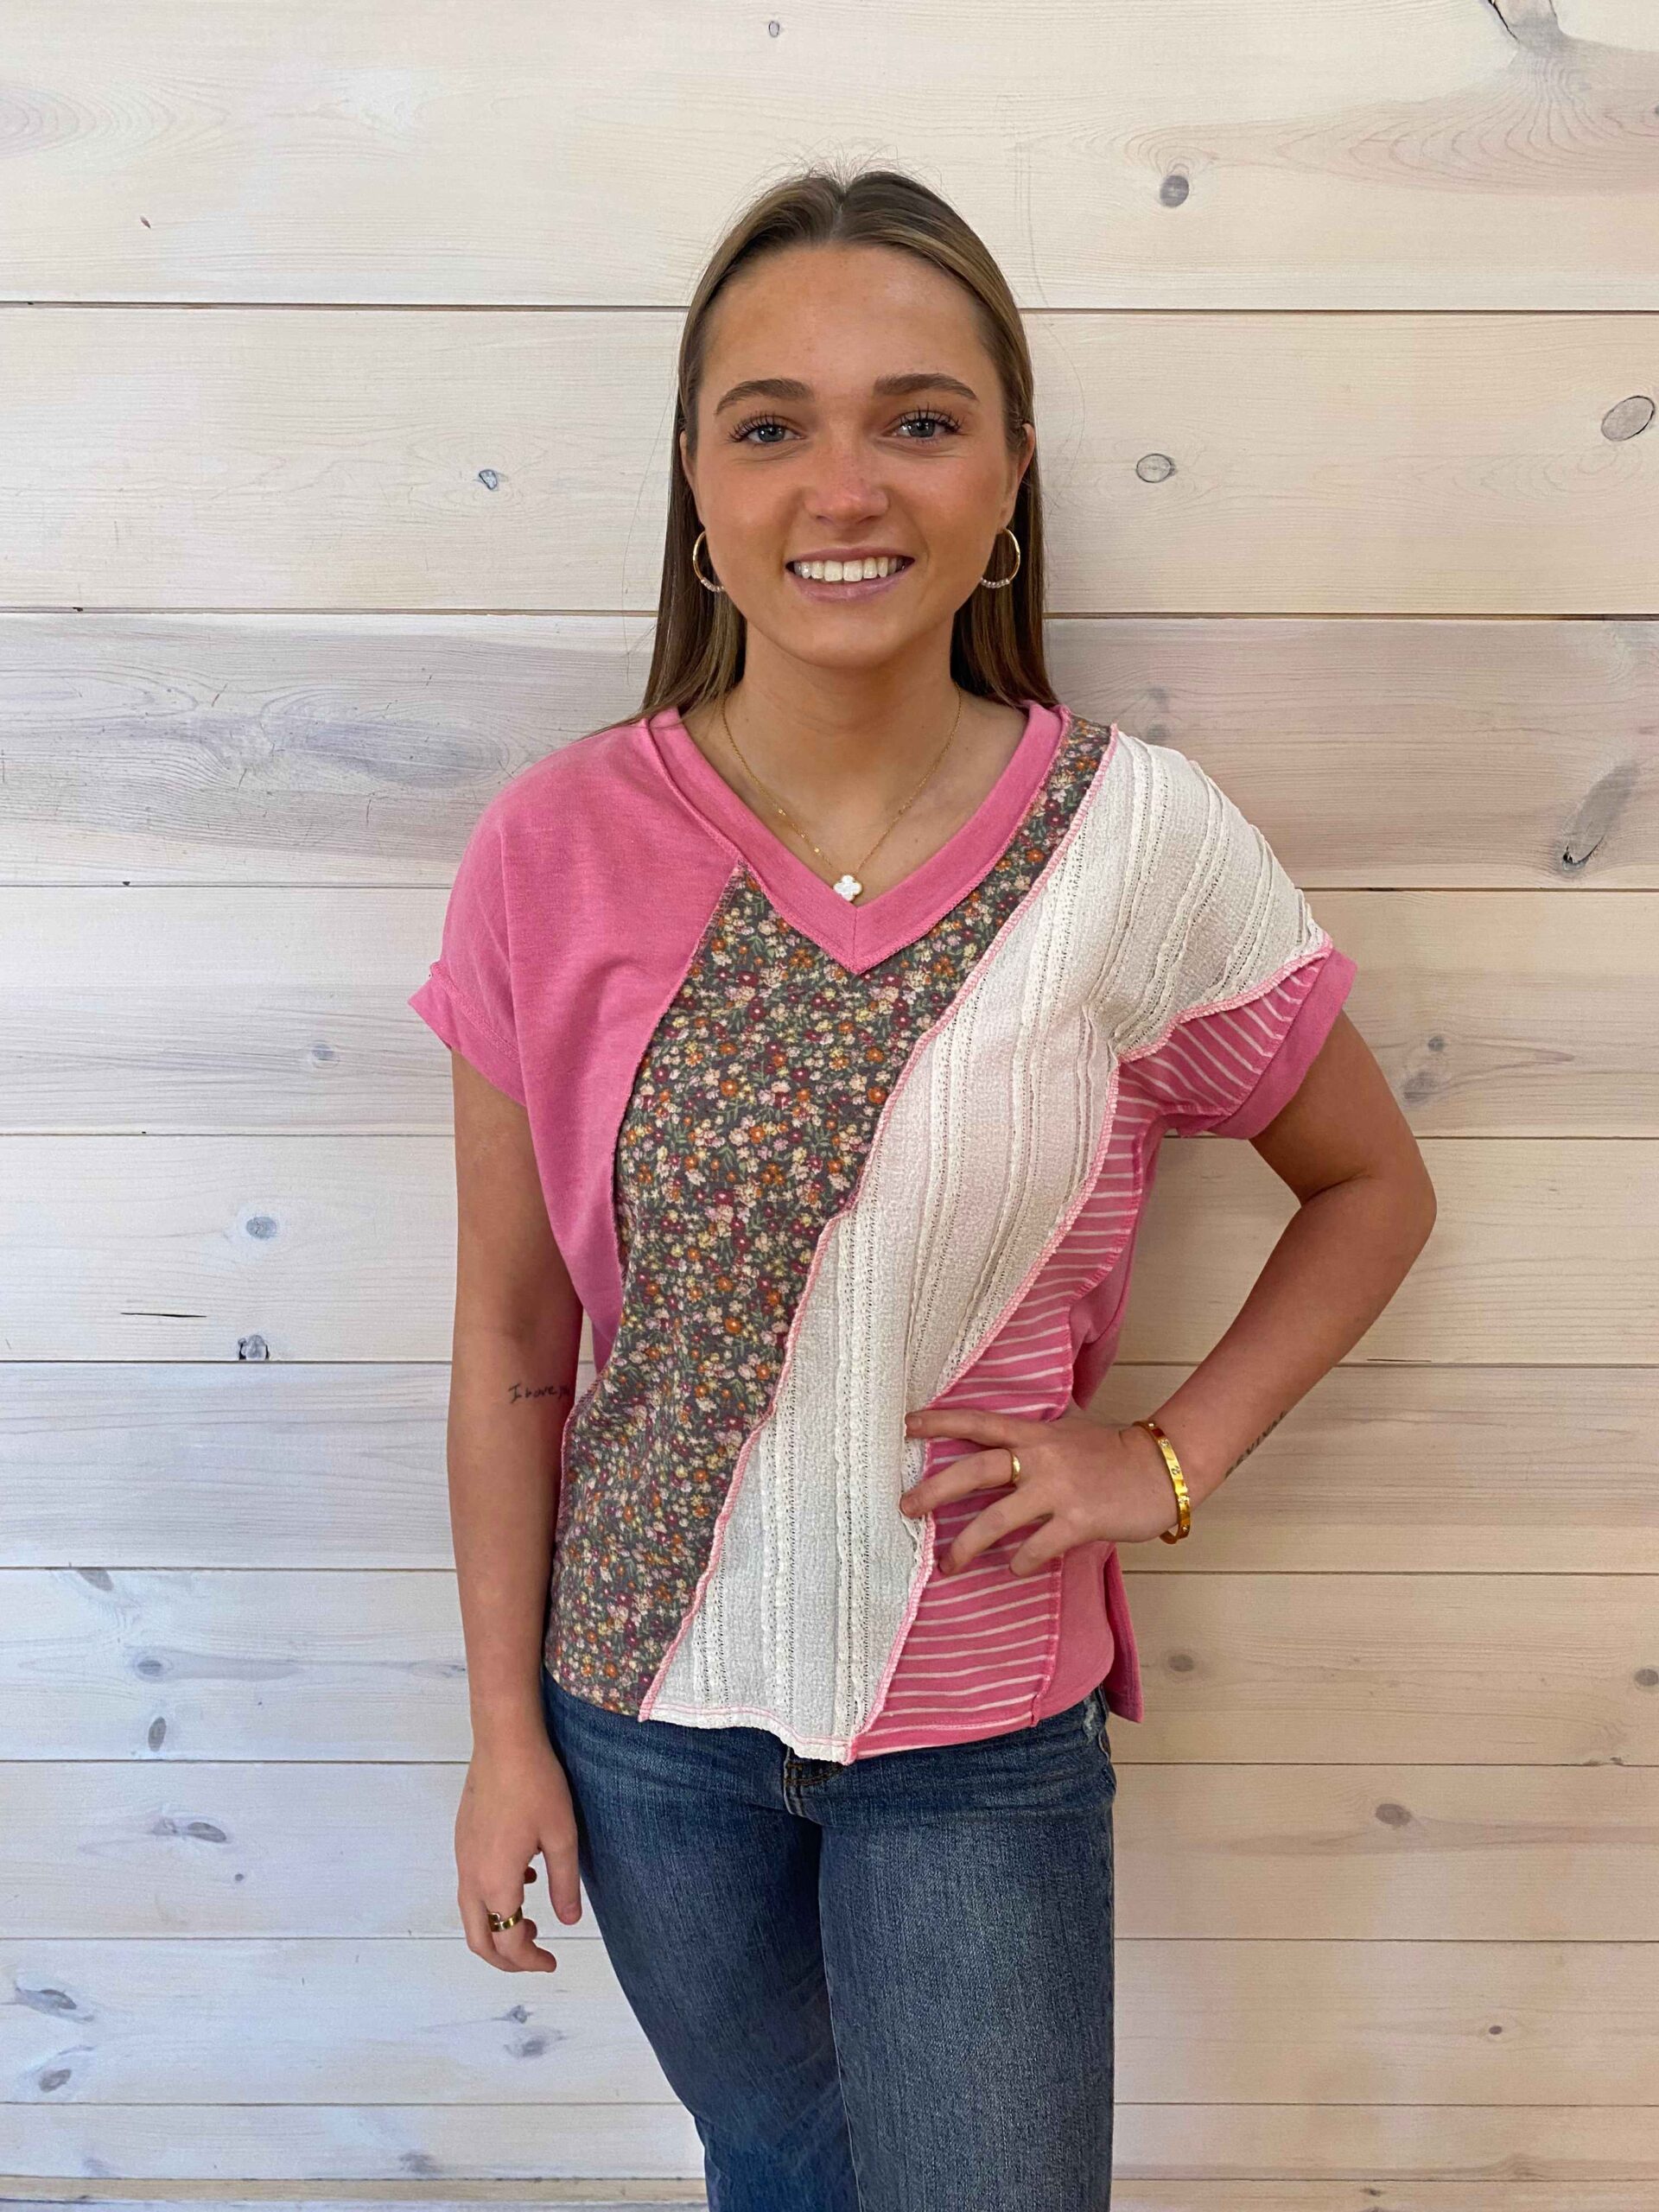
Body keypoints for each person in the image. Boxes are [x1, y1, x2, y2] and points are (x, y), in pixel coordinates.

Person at [408, 162, 1436, 2212]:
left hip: (977, 1727)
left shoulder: (1138, 843)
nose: (844, 486)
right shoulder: (555, 842)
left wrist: (1164, 1461)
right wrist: (502, 1730)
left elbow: (1370, 1188)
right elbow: (515, 1338)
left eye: (919, 419)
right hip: (642, 1715)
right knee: (785, 2170)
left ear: (1008, 473)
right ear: (698, 483)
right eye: (770, 425)